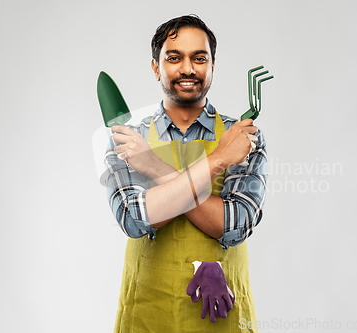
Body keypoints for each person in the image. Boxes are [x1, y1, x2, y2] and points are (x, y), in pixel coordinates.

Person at [103, 14, 267, 333]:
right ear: (156, 67)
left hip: (222, 313)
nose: (188, 69)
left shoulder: (243, 136)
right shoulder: (127, 137)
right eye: (174, 58)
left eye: (199, 58)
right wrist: (219, 160)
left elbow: (234, 224)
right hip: (149, 312)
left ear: (212, 65)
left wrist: (152, 167)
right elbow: (136, 219)